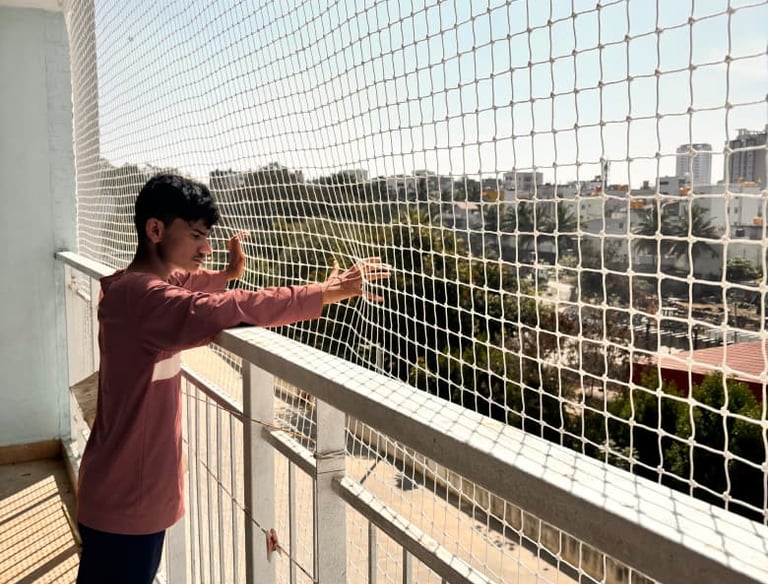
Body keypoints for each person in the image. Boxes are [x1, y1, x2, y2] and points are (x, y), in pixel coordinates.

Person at [75, 173, 389, 584]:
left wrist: (227, 271)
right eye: (195, 236)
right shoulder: (144, 299)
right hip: (128, 504)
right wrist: (327, 293)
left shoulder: (131, 286)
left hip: (118, 492)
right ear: (155, 229)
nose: (205, 247)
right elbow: (225, 308)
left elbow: (191, 281)